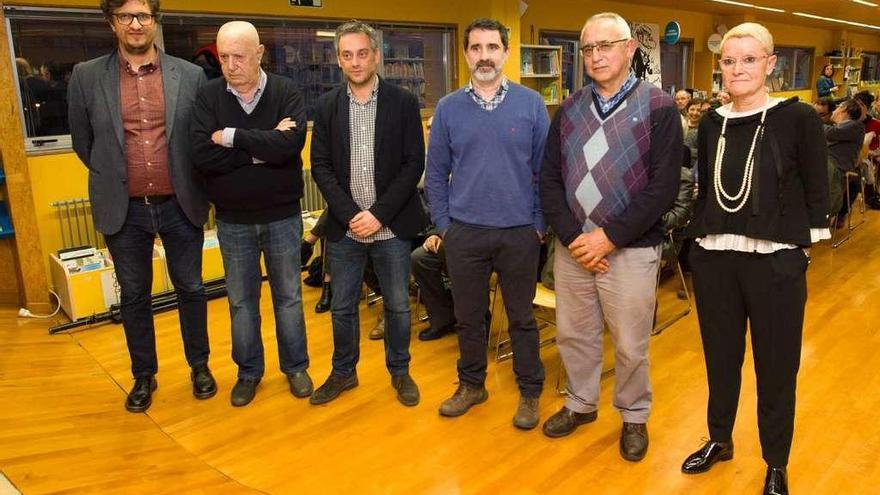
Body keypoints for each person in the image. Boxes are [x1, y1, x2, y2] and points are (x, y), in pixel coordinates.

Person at [681, 23, 829, 495]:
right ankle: (720, 439)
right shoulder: (710, 123)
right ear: (719, 67)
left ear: (770, 65)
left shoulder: (797, 117)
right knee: (720, 359)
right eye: (729, 60)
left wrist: (802, 246)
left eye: (749, 59)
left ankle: (776, 462)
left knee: (777, 366)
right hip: (715, 260)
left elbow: (814, 183)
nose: (738, 68)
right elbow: (708, 188)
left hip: (776, 262)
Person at [539, 12, 680, 461]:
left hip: (631, 249)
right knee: (574, 335)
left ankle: (634, 415)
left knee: (630, 343)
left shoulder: (659, 107)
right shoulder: (569, 108)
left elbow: (663, 188)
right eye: (589, 48)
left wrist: (609, 238)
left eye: (606, 46)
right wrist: (576, 237)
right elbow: (548, 181)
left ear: (629, 49)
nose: (596, 56)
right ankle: (581, 403)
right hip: (574, 247)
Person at [67, 0, 212, 413]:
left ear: (155, 21)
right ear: (112, 23)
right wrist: (114, 174)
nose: (135, 24)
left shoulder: (190, 74)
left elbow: (198, 139)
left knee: (192, 288)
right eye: (126, 16)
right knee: (134, 296)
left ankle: (199, 365)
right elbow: (85, 143)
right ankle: (143, 375)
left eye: (143, 16)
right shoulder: (86, 76)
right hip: (123, 208)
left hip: (180, 203)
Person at [427, 18, 549, 430]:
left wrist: (537, 223)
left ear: (506, 53)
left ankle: (530, 392)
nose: (484, 56)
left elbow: (544, 171)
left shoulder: (531, 105)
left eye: (492, 47)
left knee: (522, 318)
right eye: (476, 48)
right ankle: (472, 385)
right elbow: (436, 172)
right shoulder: (447, 109)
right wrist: (445, 226)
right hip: (465, 233)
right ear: (465, 54)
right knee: (469, 316)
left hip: (519, 233)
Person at [190, 21, 312, 407]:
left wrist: (230, 137)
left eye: (238, 56)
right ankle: (248, 372)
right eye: (223, 57)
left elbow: (289, 147)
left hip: (282, 216)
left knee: (289, 298)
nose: (230, 64)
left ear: (259, 54)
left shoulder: (285, 91)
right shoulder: (208, 96)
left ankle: (295, 367)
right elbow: (201, 155)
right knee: (242, 302)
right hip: (232, 220)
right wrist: (265, 144)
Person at [310, 20, 427, 407]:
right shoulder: (327, 105)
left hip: (391, 227)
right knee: (342, 307)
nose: (355, 62)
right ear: (338, 59)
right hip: (346, 231)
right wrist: (350, 215)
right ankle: (344, 372)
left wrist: (377, 214)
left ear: (376, 55)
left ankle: (400, 371)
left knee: (396, 306)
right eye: (347, 55)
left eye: (363, 53)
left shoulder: (404, 103)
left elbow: (413, 165)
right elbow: (321, 166)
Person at [410, 228, 457, 341]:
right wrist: (435, 235)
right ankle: (443, 319)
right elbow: (439, 213)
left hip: (480, 236)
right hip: (450, 234)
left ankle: (479, 322)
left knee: (457, 256)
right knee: (420, 258)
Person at [824, 99, 865, 224]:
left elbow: (832, 133)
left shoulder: (856, 125)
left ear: (843, 109)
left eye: (836, 108)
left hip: (837, 165)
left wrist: (812, 122)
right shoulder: (839, 127)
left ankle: (822, 214)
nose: (834, 111)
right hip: (828, 163)